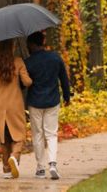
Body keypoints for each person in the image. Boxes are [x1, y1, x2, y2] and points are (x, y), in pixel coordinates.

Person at [25, 31, 71, 180]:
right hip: (52, 101)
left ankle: (40, 169)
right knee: (51, 134)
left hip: (35, 102)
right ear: (43, 42)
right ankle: (52, 164)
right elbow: (64, 79)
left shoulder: (29, 62)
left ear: (32, 44)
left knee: (37, 134)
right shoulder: (55, 58)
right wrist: (67, 96)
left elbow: (23, 83)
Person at [0, 39, 32, 179]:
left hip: (0, 105)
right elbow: (27, 82)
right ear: (13, 47)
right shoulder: (18, 61)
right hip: (15, 105)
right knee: (19, 136)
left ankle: (7, 170)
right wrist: (28, 78)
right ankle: (14, 157)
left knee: (5, 138)